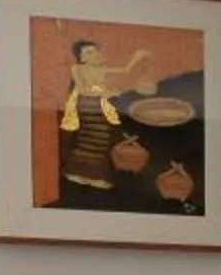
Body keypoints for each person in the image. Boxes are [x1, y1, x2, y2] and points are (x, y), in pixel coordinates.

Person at [56, 38, 155, 194]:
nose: (94, 54)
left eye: (96, 51)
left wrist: (136, 58)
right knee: (90, 137)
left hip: (100, 104)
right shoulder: (77, 69)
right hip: (86, 105)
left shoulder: (101, 69)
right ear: (81, 58)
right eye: (89, 52)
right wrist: (104, 92)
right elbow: (82, 90)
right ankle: (77, 174)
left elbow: (125, 70)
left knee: (100, 140)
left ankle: (90, 176)